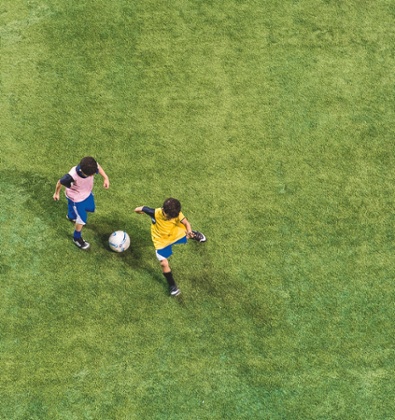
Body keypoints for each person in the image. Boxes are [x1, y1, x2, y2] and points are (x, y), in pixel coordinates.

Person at [134, 198, 206, 296]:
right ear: (163, 210)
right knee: (163, 263)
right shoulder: (154, 213)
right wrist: (139, 212)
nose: (171, 218)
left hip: (174, 233)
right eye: (170, 217)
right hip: (161, 241)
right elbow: (139, 208)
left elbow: (186, 223)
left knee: (186, 231)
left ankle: (193, 234)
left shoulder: (176, 212)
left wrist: (189, 231)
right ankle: (172, 285)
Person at [53, 156, 110, 249]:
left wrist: (105, 177)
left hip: (86, 193)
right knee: (82, 219)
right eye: (91, 174)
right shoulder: (71, 176)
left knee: (91, 208)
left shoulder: (90, 165)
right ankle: (77, 238)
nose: (93, 175)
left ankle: (71, 216)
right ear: (84, 172)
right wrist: (56, 193)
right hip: (76, 198)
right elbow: (60, 182)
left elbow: (98, 166)